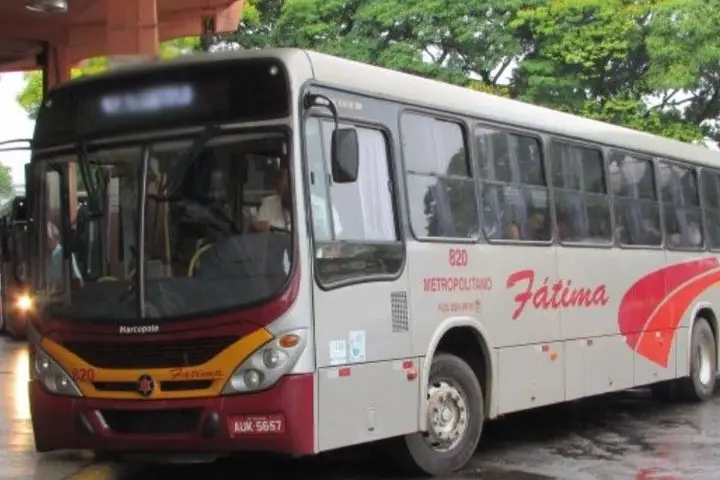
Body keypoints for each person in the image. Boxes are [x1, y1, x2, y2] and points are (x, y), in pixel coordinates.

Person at [254, 160, 343, 239]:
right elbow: (258, 242)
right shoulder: (269, 204)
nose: (284, 185)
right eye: (281, 178)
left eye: (289, 180)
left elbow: (336, 246)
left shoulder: (323, 209)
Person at [47, 221, 82, 290]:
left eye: (49, 239)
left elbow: (77, 278)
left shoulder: (63, 252)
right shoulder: (44, 255)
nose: (47, 242)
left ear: (55, 238)